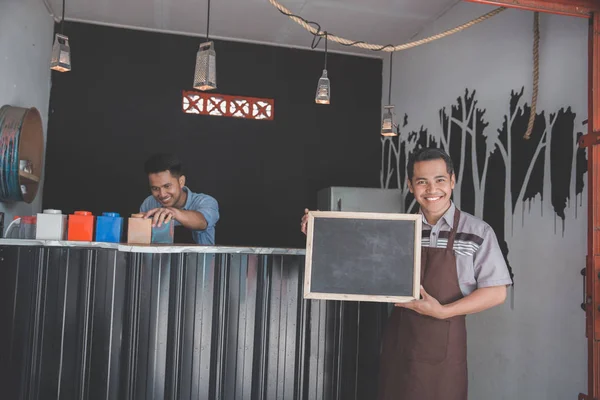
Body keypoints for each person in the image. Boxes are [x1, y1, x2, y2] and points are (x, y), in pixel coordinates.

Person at [300, 147, 512, 400]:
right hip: (400, 342)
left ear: (453, 181)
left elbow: (497, 292)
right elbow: (358, 261)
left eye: (440, 180)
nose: (432, 190)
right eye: (422, 182)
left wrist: (443, 311)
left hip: (445, 347)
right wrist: (319, 231)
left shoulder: (478, 232)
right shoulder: (397, 229)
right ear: (410, 185)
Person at [140, 153, 219, 245]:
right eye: (155, 188)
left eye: (167, 186)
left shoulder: (205, 201)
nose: (162, 194)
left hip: (198, 259)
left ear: (181, 182)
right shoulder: (149, 203)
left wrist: (173, 212)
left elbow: (202, 222)